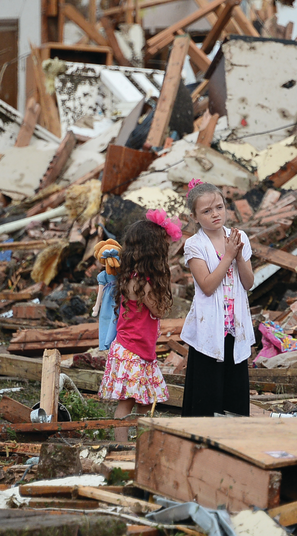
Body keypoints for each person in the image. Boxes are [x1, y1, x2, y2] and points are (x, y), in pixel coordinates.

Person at [97, 210, 181, 441]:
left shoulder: (129, 277)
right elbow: (159, 310)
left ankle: (136, 445)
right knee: (131, 405)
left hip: (135, 350)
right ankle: (124, 447)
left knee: (142, 401)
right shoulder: (145, 284)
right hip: (133, 352)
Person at [181, 179, 255, 416]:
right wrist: (228, 256)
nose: (215, 214)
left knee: (235, 393)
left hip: (234, 326)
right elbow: (207, 285)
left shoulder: (238, 236)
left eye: (219, 207)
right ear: (194, 216)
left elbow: (248, 282)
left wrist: (240, 256)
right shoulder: (194, 245)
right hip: (209, 328)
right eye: (206, 211)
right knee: (206, 395)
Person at [91, 239, 121, 351]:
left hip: (119, 299)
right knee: (107, 320)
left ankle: (116, 343)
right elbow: (100, 292)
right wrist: (97, 306)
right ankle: (108, 343)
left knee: (116, 321)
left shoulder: (121, 273)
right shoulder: (103, 276)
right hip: (109, 301)